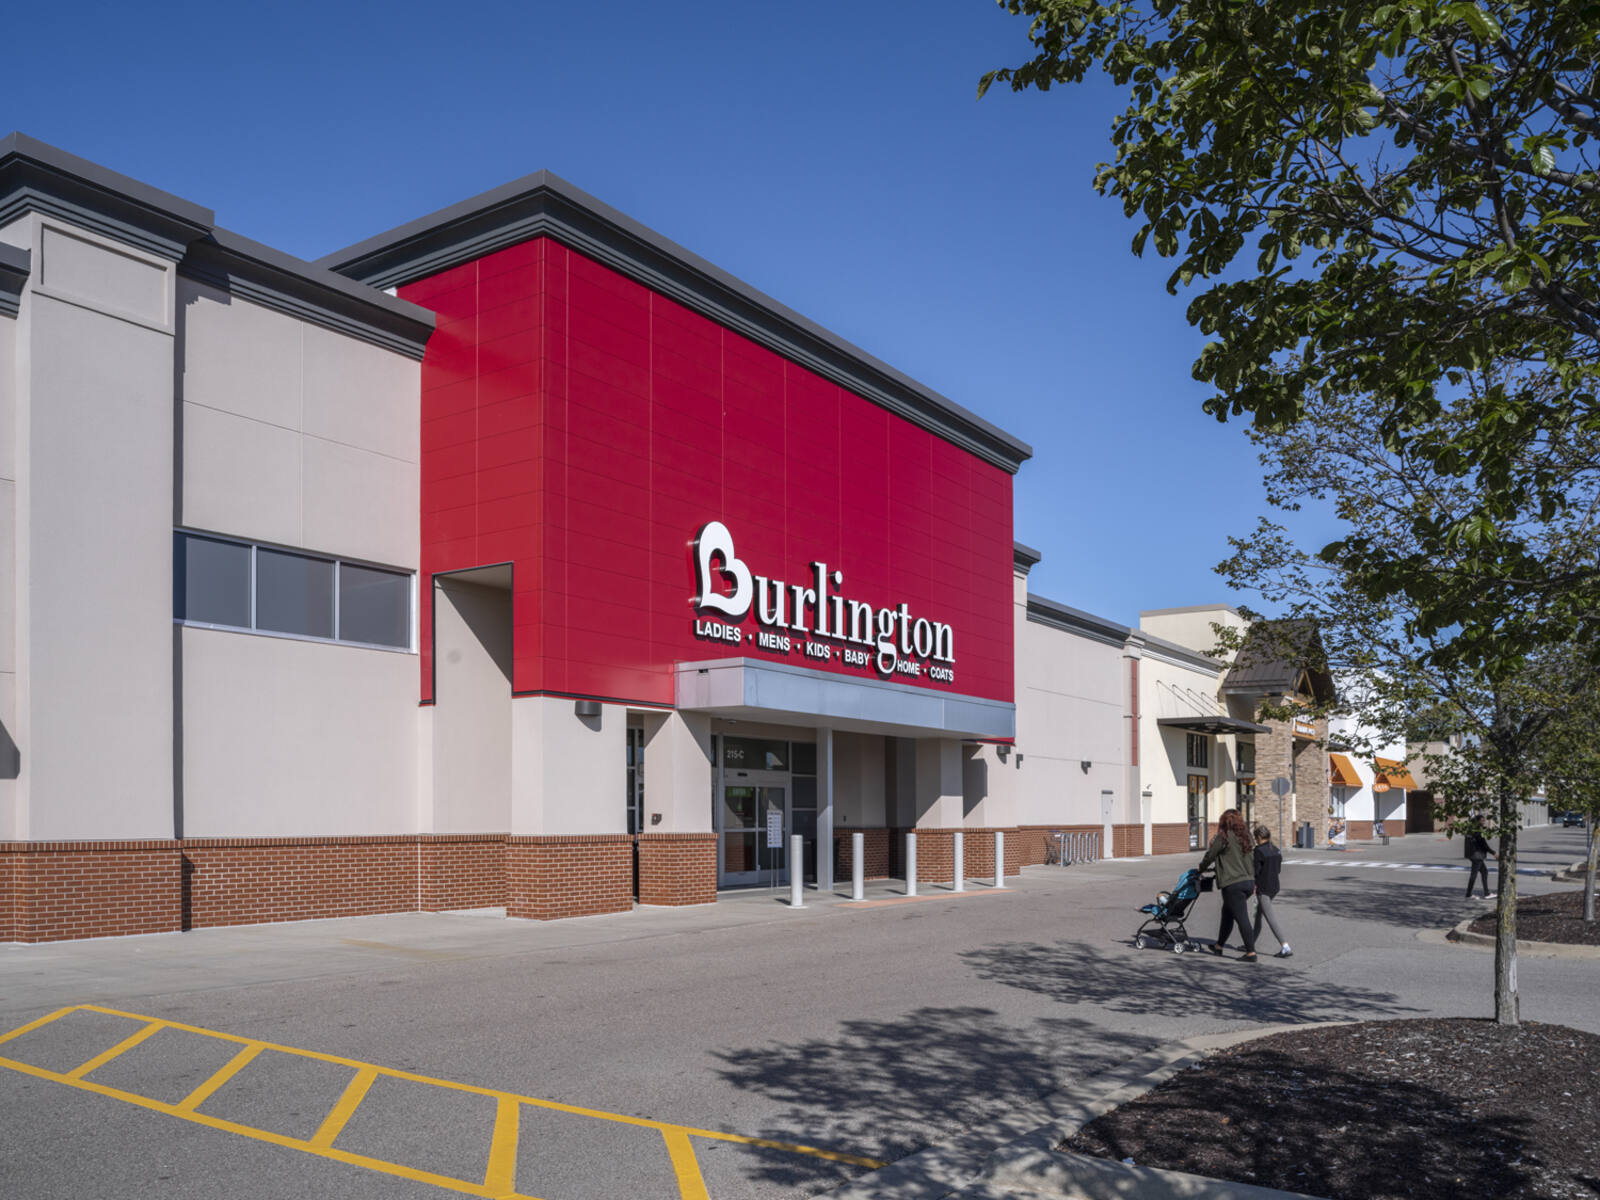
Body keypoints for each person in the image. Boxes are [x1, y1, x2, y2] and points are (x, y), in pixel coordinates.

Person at [1200, 808, 1259, 961]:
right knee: (1227, 913)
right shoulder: (1246, 837)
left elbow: (1210, 855)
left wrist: (1200, 869)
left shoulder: (1224, 837)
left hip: (1233, 884)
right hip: (1248, 881)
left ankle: (1251, 953)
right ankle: (1219, 946)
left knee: (1241, 917)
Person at [1251, 824, 1291, 958]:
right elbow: (1278, 870)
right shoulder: (1275, 849)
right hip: (1275, 887)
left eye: (1255, 838)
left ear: (1259, 837)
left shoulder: (1258, 851)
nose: (1255, 840)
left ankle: (1285, 946)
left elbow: (1255, 871)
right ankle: (1250, 943)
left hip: (1264, 889)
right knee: (1258, 915)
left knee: (1270, 918)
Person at [1464, 830, 1496, 899]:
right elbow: (1484, 845)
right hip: (1477, 855)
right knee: (1474, 874)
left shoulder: (1469, 831)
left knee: (1484, 872)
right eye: (1482, 820)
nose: (1484, 821)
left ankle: (1486, 893)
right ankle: (1468, 894)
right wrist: (1494, 853)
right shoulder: (1478, 832)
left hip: (1472, 855)